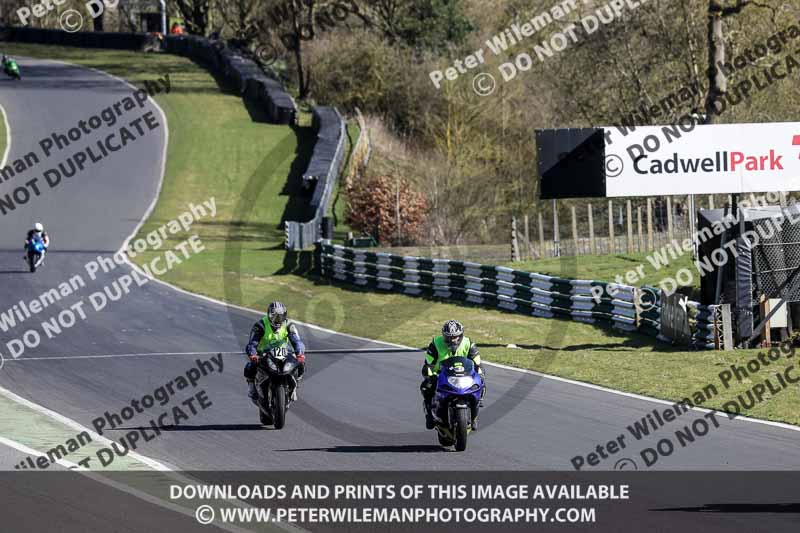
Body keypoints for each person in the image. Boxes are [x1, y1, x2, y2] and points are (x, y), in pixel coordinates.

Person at [420, 320, 485, 430]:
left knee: (481, 382)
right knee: (426, 387)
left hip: (464, 375)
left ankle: (475, 413)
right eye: (448, 337)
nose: (452, 340)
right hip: (441, 375)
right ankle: (429, 415)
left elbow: (478, 363)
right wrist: (431, 377)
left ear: (461, 335)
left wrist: (480, 374)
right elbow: (428, 365)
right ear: (443, 336)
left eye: (455, 337)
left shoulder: (468, 343)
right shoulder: (435, 344)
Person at [244, 301, 306, 403]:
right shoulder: (260, 325)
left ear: (285, 316)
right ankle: (251, 387)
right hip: (264, 354)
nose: (278, 320)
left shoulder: (289, 325)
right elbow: (252, 343)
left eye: (280, 317)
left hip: (284, 352)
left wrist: (300, 353)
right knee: (250, 366)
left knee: (301, 363)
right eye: (275, 317)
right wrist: (253, 355)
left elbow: (297, 341)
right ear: (269, 315)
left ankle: (295, 385)